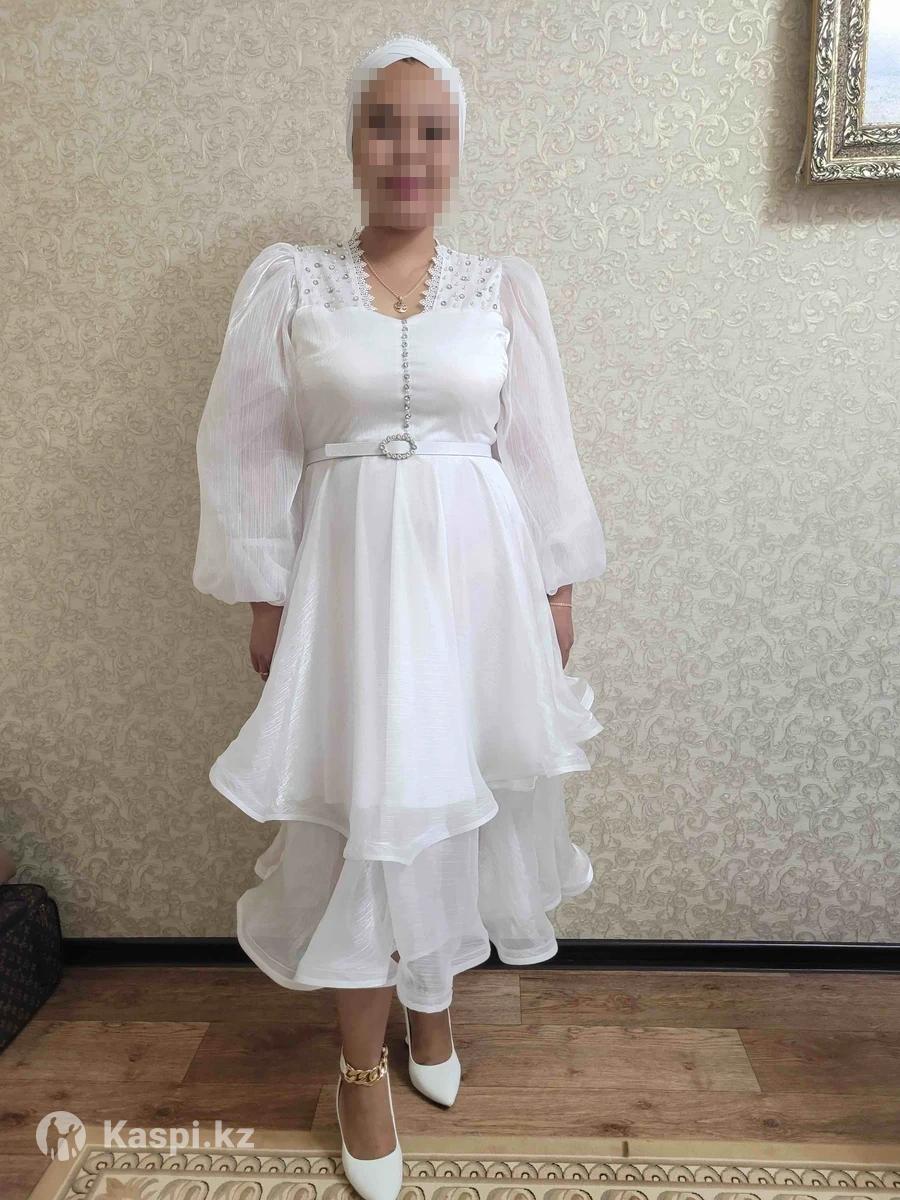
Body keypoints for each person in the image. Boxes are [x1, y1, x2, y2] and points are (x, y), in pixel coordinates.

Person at [191, 33, 607, 1200]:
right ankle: (358, 1068)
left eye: (432, 128)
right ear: (353, 142)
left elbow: (539, 447)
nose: (407, 150)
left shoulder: (501, 289)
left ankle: (432, 1004)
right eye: (385, 124)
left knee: (455, 796)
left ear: (458, 147)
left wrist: (558, 583)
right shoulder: (293, 284)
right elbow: (249, 450)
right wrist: (267, 590)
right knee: (364, 811)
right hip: (350, 590)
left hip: (478, 587)